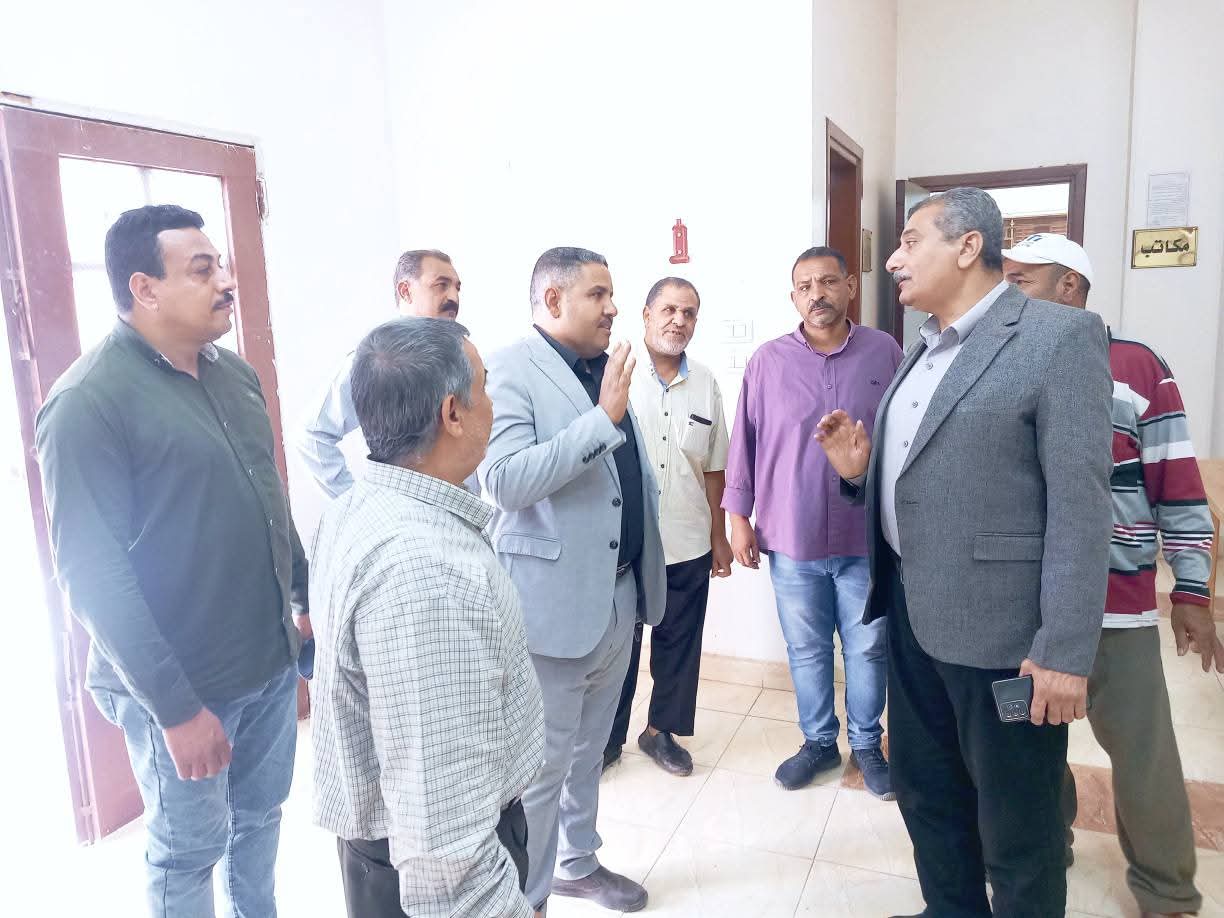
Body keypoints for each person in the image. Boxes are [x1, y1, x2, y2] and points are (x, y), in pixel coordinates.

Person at [815, 187, 1113, 917]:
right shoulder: (922, 346)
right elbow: (929, 477)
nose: (893, 259)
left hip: (1003, 637)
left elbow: (1080, 506)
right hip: (912, 617)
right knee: (927, 792)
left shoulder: (1058, 338)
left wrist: (1065, 651)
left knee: (1018, 824)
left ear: (969, 246)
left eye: (911, 240)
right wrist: (860, 477)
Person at [35, 205, 309, 918]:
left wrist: (301, 598)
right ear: (145, 288)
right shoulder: (88, 402)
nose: (226, 281)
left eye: (222, 265)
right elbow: (91, 575)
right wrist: (178, 710)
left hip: (267, 663)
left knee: (260, 819)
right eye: (202, 269)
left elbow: (266, 494)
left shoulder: (233, 374)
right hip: (183, 685)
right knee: (187, 854)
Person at [1003, 233, 1223, 918]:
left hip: (1115, 603)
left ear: (1069, 286)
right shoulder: (1002, 360)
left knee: (1142, 755)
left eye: (1022, 280)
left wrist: (1192, 589)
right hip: (1022, 608)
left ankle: (1167, 892)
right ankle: (1050, 844)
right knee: (1028, 746)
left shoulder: (1134, 366)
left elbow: (1177, 482)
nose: (1006, 293)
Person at [310, 317, 545, 918]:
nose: (493, 405)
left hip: (386, 853)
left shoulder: (357, 508)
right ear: (453, 413)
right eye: (484, 388)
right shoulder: (427, 570)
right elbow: (444, 838)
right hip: (440, 871)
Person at [479, 247, 666, 914]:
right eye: (598, 294)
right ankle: (527, 901)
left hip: (616, 597)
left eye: (611, 294)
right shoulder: (509, 368)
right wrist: (603, 420)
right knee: (543, 768)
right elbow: (504, 482)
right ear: (553, 300)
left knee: (590, 753)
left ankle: (577, 864)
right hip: (552, 611)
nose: (613, 307)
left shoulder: (597, 366)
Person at [721, 246, 902, 797]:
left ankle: (867, 745)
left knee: (868, 648)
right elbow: (744, 442)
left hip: (864, 536)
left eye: (827, 282)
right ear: (793, 296)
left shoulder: (885, 352)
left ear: (850, 286)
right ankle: (820, 742)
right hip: (791, 535)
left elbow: (904, 438)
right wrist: (738, 516)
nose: (816, 294)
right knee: (805, 649)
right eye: (804, 286)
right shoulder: (767, 362)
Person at [605, 277, 733, 776]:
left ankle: (661, 732)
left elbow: (714, 466)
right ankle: (607, 740)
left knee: (679, 642)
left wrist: (719, 535)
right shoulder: (614, 374)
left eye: (689, 313)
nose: (679, 321)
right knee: (618, 646)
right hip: (625, 541)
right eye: (669, 310)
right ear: (646, 314)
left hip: (687, 536)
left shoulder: (705, 383)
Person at [297, 249, 462, 497]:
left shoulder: (459, 358)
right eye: (441, 285)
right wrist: (357, 503)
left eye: (457, 288)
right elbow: (312, 435)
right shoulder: (377, 360)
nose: (454, 297)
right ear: (405, 291)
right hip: (404, 514)